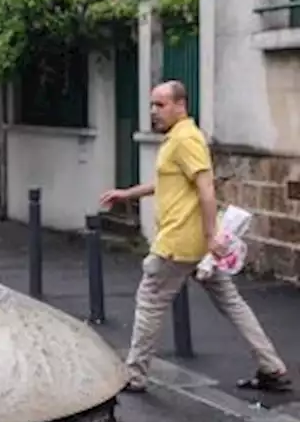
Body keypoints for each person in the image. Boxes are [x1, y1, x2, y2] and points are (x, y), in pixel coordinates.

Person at [99, 80, 290, 394]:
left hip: (179, 244)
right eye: (152, 105)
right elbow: (168, 182)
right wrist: (127, 194)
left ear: (180, 105)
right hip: (197, 247)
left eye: (160, 105)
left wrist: (211, 234)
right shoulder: (180, 138)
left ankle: (134, 375)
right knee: (232, 303)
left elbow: (206, 188)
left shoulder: (186, 139)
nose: (153, 112)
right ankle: (272, 367)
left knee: (149, 302)